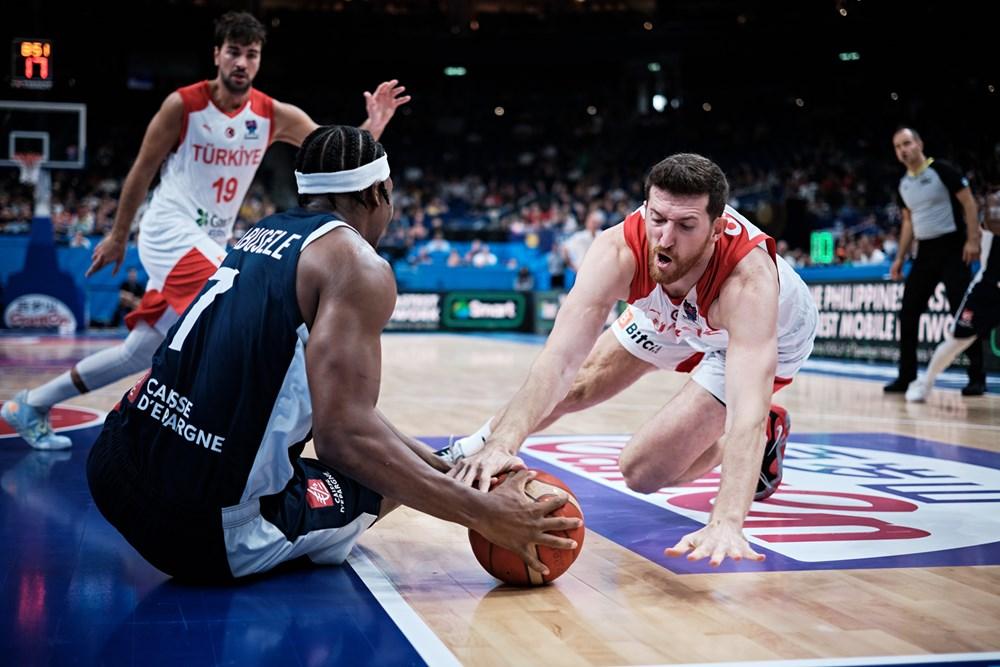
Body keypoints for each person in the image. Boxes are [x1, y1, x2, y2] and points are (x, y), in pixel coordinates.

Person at [84, 125, 580, 581]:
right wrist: (483, 513)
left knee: (359, 443)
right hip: (196, 529)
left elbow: (347, 413)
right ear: (377, 192)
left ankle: (453, 459)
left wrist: (442, 469)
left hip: (113, 463)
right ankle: (447, 473)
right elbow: (343, 440)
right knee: (364, 479)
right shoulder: (359, 265)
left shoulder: (263, 232)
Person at [2, 11, 409, 450]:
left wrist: (374, 126)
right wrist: (119, 235)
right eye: (234, 51)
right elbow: (142, 170)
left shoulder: (273, 114)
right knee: (245, 304)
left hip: (209, 240)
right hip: (169, 229)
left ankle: (31, 404)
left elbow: (336, 155)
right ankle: (232, 435)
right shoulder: (184, 104)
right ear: (217, 54)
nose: (242, 62)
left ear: (258, 61)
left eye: (251, 54)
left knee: (138, 352)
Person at [440, 153, 818, 566]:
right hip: (672, 305)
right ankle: (467, 449)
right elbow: (559, 362)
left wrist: (726, 521)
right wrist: (500, 444)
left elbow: (746, 409)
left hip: (765, 331)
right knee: (577, 385)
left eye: (686, 225)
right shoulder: (620, 249)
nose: (665, 239)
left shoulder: (749, 282)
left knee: (641, 473)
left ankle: (766, 436)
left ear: (717, 229)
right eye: (657, 219)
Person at [884, 127, 985, 395]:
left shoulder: (942, 170)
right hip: (925, 253)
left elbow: (969, 203)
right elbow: (908, 222)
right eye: (897, 147)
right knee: (908, 313)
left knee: (962, 314)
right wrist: (900, 258)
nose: (903, 150)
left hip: (953, 247)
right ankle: (906, 377)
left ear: (919, 143)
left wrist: (972, 240)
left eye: (907, 143)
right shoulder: (903, 184)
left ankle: (977, 377)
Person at [906, 188, 999, 401]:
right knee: (957, 340)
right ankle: (925, 382)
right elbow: (989, 222)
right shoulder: (994, 201)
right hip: (989, 290)